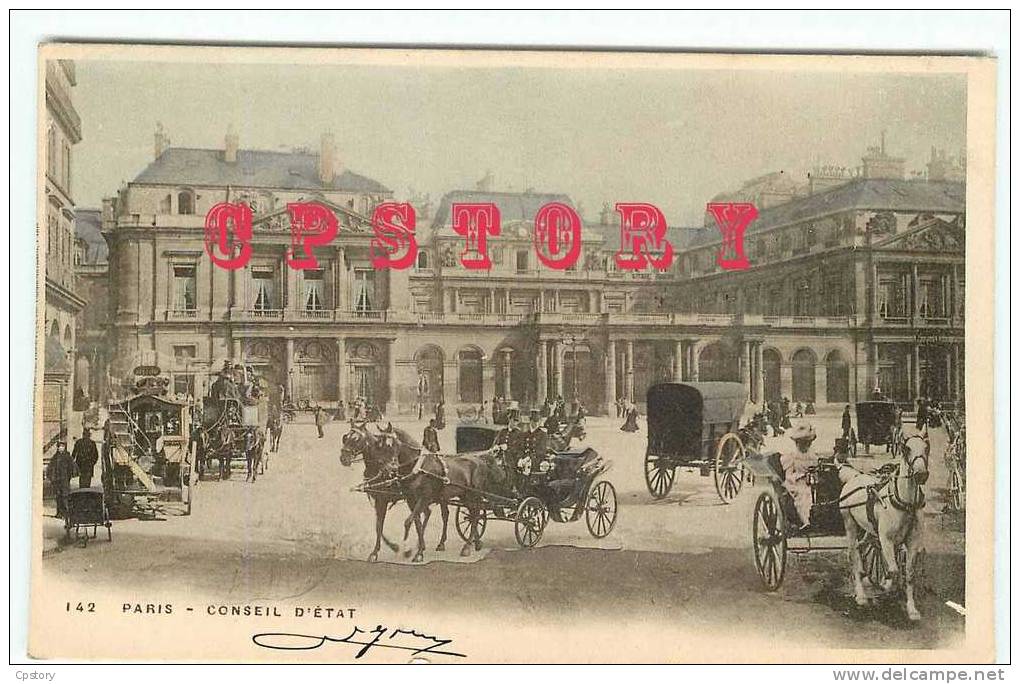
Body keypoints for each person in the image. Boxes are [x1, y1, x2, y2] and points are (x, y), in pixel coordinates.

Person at [780, 423, 818, 530]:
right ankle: (806, 521)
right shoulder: (791, 456)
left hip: (811, 482)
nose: (806, 445)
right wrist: (801, 476)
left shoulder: (812, 455)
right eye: (803, 443)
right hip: (795, 484)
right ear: (797, 443)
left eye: (808, 443)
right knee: (804, 495)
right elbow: (788, 476)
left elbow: (816, 469)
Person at [46, 440, 76, 518]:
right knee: (58, 496)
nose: (61, 448)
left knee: (65, 496)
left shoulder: (68, 456)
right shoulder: (55, 457)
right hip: (57, 480)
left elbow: (72, 467)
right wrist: (50, 476)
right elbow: (50, 467)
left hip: (65, 479)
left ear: (65, 447)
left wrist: (69, 476)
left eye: (62, 446)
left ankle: (66, 513)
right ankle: (59, 513)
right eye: (59, 446)